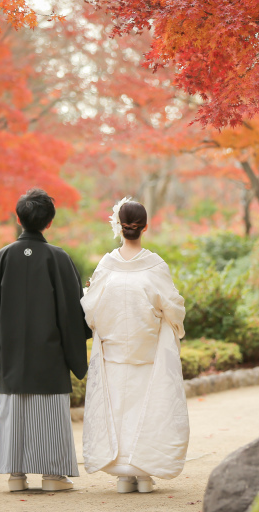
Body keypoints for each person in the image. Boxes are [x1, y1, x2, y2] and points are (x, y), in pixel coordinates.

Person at [0, 188, 91, 492]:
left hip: (11, 355)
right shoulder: (58, 258)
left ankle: (15, 476)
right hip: (49, 357)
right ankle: (52, 476)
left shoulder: (2, 257)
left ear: (18, 218)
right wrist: (76, 345)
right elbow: (71, 312)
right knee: (49, 414)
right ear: (49, 222)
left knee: (14, 413)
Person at [81, 198, 189, 493]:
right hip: (149, 348)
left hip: (114, 351)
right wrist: (169, 323)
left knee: (118, 408)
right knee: (148, 407)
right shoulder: (154, 265)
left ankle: (123, 475)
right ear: (145, 227)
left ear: (119, 226)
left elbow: (90, 309)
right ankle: (143, 473)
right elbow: (173, 307)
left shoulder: (107, 265)